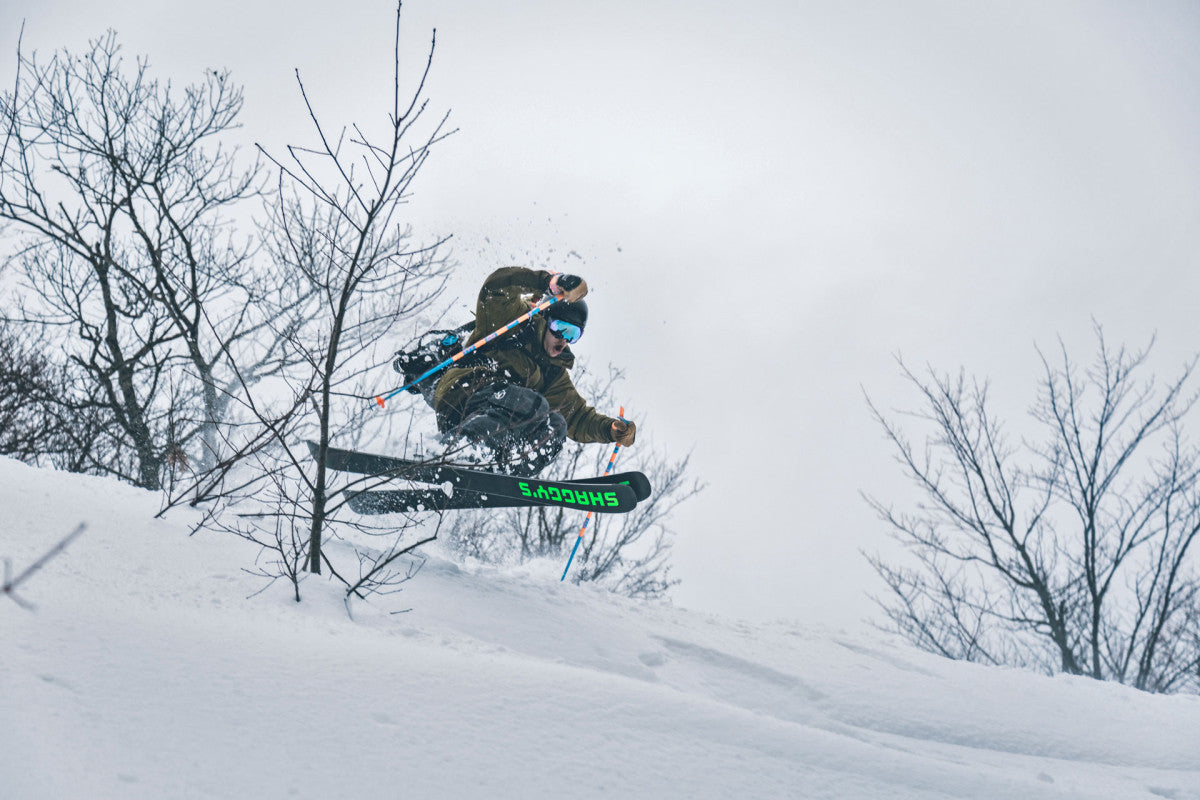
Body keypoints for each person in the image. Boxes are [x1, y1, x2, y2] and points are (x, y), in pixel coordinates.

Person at [432, 266, 636, 475]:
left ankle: (508, 472)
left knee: (557, 426)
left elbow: (577, 417)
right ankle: (458, 451)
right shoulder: (515, 323)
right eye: (559, 328)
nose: (564, 339)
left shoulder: (553, 373)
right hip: (464, 393)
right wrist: (548, 282)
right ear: (544, 319)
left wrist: (609, 429)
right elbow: (495, 289)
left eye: (573, 334)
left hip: (496, 420)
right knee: (534, 404)